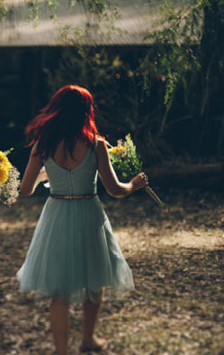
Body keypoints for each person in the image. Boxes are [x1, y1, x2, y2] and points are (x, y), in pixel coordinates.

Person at [16, 85, 148, 355]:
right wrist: (135, 184)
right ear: (86, 111)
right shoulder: (95, 144)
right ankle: (88, 339)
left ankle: (62, 350)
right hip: (89, 213)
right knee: (94, 279)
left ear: (57, 109)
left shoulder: (43, 144)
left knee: (59, 290)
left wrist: (46, 174)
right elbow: (115, 190)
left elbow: (25, 189)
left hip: (56, 214)